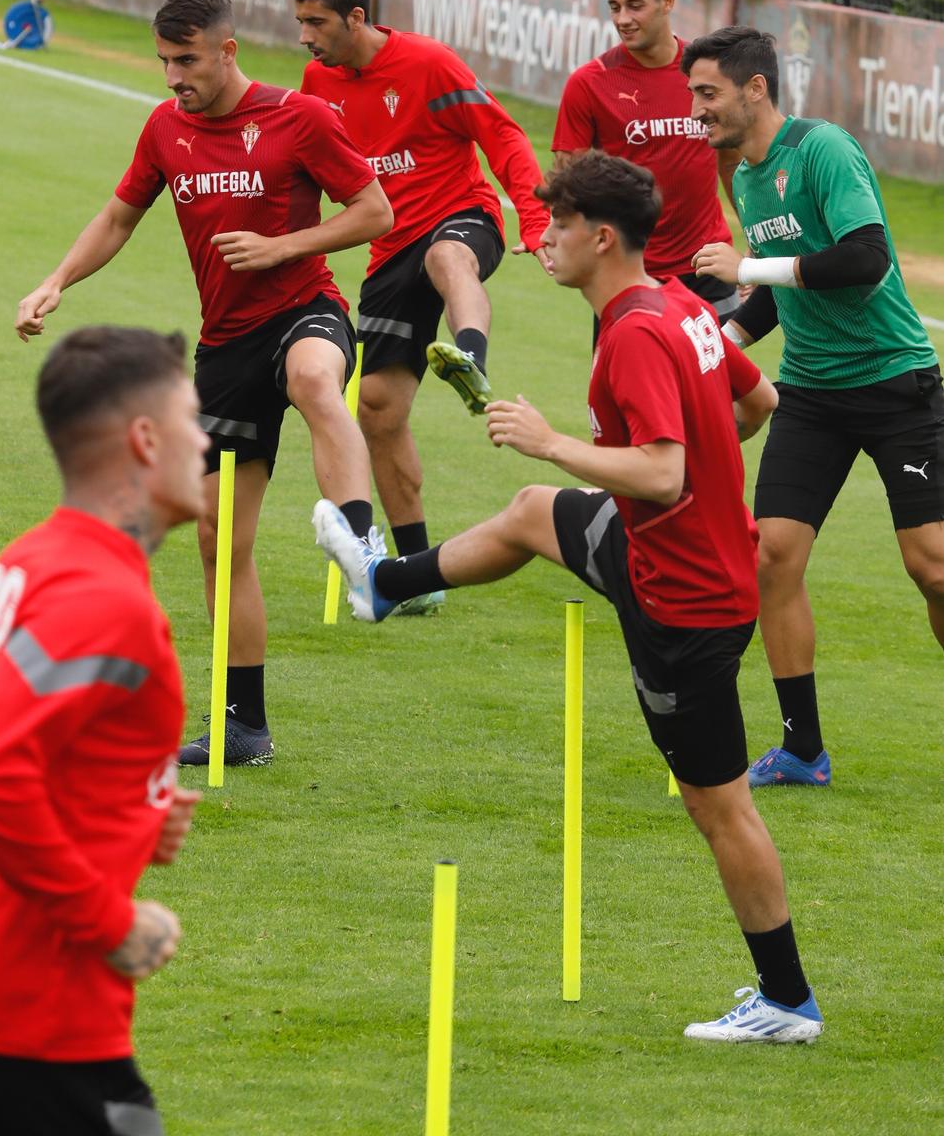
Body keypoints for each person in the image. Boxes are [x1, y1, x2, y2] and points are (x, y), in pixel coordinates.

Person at [316, 152, 823, 1044]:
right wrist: (694, 462)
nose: (540, 240)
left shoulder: (632, 332)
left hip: (685, 603)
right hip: (672, 554)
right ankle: (385, 584)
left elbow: (661, 473)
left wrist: (550, 441)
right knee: (532, 517)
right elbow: (758, 402)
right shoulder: (675, 302)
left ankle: (786, 1002)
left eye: (553, 227)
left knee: (718, 803)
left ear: (599, 236)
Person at [15, 0, 392, 768]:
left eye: (185, 61)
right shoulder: (165, 127)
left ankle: (363, 547)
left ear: (227, 50)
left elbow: (373, 211)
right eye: (161, 61)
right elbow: (119, 215)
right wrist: (56, 281)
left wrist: (283, 247)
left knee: (316, 382)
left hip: (304, 311)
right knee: (222, 543)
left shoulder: (300, 117)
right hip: (225, 348)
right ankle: (242, 726)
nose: (171, 78)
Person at [0, 325, 203, 1136]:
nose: (206, 444)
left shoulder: (26, 561)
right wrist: (111, 921)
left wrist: (129, 807)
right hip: (36, 1034)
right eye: (193, 420)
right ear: (144, 440)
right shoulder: (109, 605)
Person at [685, 24, 944, 788]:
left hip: (895, 382)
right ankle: (802, 750)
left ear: (753, 88)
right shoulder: (744, 176)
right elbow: (774, 296)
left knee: (931, 568)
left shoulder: (821, 149)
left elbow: (863, 261)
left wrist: (745, 267)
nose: (696, 110)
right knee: (772, 555)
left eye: (707, 94)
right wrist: (721, 336)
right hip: (811, 394)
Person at [293, 0, 548, 601]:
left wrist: (536, 216)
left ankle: (471, 356)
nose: (305, 36)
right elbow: (313, 162)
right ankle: (413, 575)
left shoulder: (431, 64)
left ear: (357, 18)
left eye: (315, 22)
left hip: (463, 216)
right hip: (389, 247)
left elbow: (505, 137)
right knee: (377, 409)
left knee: (446, 259)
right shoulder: (318, 80)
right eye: (300, 22)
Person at [552, 0, 738, 320]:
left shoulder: (706, 73)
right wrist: (556, 235)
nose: (622, 18)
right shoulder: (590, 83)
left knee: (718, 378)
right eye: (614, 7)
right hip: (630, 272)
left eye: (635, 5)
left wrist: (759, 246)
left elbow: (733, 163)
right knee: (630, 378)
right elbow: (569, 180)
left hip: (708, 266)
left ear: (668, 1)